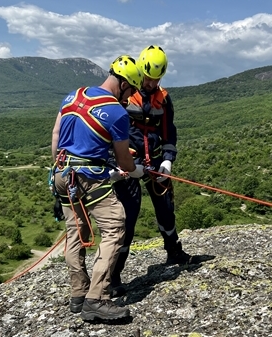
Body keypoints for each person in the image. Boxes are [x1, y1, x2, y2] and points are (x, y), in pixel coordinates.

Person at [51, 55, 145, 321]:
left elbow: (56, 135)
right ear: (126, 84)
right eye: (132, 90)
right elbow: (124, 159)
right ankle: (97, 298)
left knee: (75, 231)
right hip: (89, 176)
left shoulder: (73, 95)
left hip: (62, 171)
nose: (131, 96)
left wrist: (60, 171)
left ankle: (78, 294)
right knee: (115, 226)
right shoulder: (117, 112)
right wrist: (133, 170)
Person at [109, 45, 194, 297]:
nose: (150, 82)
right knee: (128, 216)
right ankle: (113, 275)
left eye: (156, 78)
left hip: (155, 161)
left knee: (165, 208)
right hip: (129, 162)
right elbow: (114, 131)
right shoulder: (126, 96)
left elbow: (169, 130)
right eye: (148, 78)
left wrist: (168, 160)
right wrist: (120, 163)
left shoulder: (164, 98)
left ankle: (174, 250)